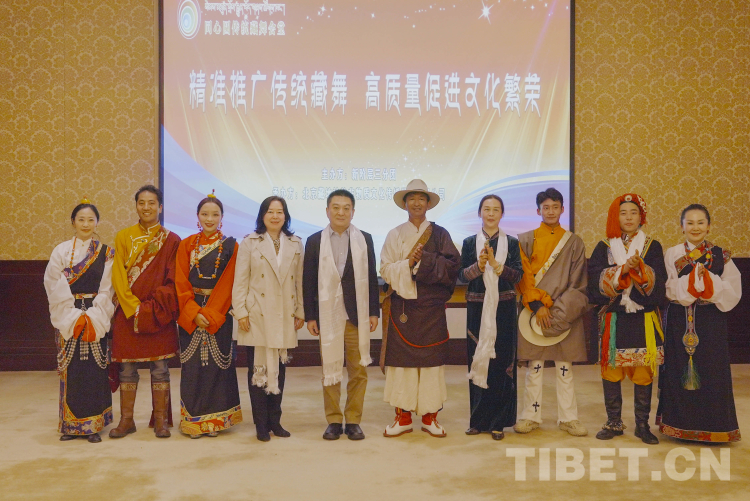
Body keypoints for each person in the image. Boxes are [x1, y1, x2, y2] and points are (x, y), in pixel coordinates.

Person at [380, 179, 460, 438]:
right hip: (403, 309)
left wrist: (422, 260)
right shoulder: (394, 234)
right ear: (405, 204)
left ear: (428, 204)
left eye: (421, 199)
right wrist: (407, 264)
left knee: (431, 366)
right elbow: (385, 269)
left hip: (431, 310)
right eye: (411, 199)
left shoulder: (441, 234)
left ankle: (429, 417)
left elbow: (452, 267)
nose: (416, 203)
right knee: (401, 366)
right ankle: (403, 417)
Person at [656, 204, 741, 442]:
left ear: (709, 226)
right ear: (682, 226)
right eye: (690, 223)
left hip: (711, 320)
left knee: (712, 370)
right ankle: (677, 425)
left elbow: (733, 289)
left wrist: (710, 284)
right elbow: (667, 286)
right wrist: (690, 284)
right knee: (677, 369)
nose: (695, 227)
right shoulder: (672, 253)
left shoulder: (721, 255)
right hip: (678, 320)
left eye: (700, 222)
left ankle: (714, 427)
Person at [587, 193, 667, 445]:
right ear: (616, 217)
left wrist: (640, 269)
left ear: (641, 217)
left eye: (634, 212)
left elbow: (660, 284)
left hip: (643, 318)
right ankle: (613, 422)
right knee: (612, 370)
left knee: (643, 372)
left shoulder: (652, 246)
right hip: (614, 318)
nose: (629, 217)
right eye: (623, 213)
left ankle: (642, 425)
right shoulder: (603, 246)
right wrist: (622, 270)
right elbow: (593, 283)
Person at [303, 189, 380, 441]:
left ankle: (354, 420)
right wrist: (310, 316)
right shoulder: (315, 241)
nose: (341, 212)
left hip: (356, 315)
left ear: (353, 212)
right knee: (330, 368)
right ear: (327, 211)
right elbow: (308, 280)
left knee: (358, 371)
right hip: (327, 316)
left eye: (346, 208)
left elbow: (371, 277)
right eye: (336, 207)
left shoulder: (364, 239)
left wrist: (374, 311)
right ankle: (334, 420)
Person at [513, 188, 589, 437]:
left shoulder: (574, 242)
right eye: (546, 207)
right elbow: (523, 277)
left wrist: (558, 312)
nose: (551, 211)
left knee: (564, 368)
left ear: (562, 209)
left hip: (564, 312)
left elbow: (577, 283)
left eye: (555, 207)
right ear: (538, 211)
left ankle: (569, 418)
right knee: (534, 367)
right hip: (533, 312)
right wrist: (537, 306)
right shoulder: (526, 240)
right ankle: (530, 416)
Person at [109, 185, 181, 439]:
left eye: (152, 203)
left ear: (160, 207)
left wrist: (152, 308)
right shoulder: (123, 236)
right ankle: (126, 421)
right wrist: (134, 307)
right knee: (126, 369)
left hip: (159, 312)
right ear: (136, 206)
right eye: (142, 202)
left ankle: (161, 421)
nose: (147, 207)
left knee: (160, 368)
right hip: (128, 313)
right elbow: (118, 276)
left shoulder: (172, 240)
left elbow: (173, 280)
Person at [232, 196, 305, 442]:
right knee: (258, 370)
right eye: (270, 211)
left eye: (280, 212)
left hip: (284, 312)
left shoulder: (295, 243)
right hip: (257, 314)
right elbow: (240, 281)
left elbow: (299, 280)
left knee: (279, 370)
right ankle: (261, 424)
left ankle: (276, 421)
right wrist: (241, 312)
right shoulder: (250, 242)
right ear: (262, 215)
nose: (275, 216)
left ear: (286, 216)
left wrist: (301, 310)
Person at [44, 199, 115, 443]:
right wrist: (73, 316)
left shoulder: (106, 253)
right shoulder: (61, 251)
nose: (86, 224)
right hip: (68, 314)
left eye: (90, 219)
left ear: (97, 222)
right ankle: (71, 425)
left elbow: (108, 288)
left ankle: (93, 425)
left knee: (94, 370)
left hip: (96, 313)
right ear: (73, 222)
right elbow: (53, 284)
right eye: (81, 219)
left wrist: (92, 316)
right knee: (71, 370)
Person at [175, 191, 242, 438]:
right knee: (192, 369)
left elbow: (230, 283)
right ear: (197, 216)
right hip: (191, 310)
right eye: (205, 214)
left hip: (220, 312)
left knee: (217, 368)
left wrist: (212, 313)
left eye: (215, 214)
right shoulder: (186, 244)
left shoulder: (232, 246)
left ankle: (215, 421)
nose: (209, 219)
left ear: (222, 217)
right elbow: (180, 282)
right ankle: (193, 421)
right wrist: (193, 313)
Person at [458, 195, 523, 441]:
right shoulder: (468, 243)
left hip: (504, 308)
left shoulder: (512, 243)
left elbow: (518, 276)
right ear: (480, 213)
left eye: (496, 210)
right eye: (487, 209)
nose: (491, 214)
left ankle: (498, 422)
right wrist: (478, 265)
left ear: (502, 214)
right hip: (477, 308)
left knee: (501, 364)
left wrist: (496, 265)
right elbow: (462, 276)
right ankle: (478, 421)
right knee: (478, 360)